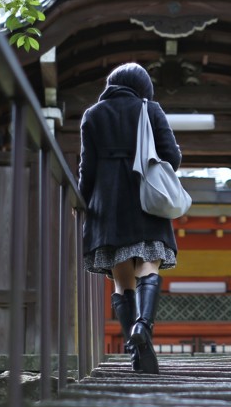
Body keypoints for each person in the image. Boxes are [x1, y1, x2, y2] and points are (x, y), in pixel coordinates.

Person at [78, 62, 182, 374]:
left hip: (106, 202)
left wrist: (83, 201)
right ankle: (143, 327)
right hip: (143, 196)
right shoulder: (150, 109)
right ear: (142, 86)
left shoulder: (92, 114)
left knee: (122, 279)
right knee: (148, 262)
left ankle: (135, 354)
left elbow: (88, 167)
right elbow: (172, 156)